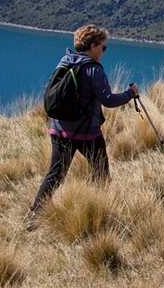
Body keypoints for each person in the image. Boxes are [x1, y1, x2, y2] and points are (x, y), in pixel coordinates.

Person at [28, 24, 138, 223]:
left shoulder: (65, 60)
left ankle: (34, 216)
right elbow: (109, 100)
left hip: (59, 130)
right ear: (93, 46)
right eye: (103, 47)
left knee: (55, 175)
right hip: (87, 133)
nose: (103, 52)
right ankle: (100, 213)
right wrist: (130, 94)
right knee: (101, 173)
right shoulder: (93, 70)